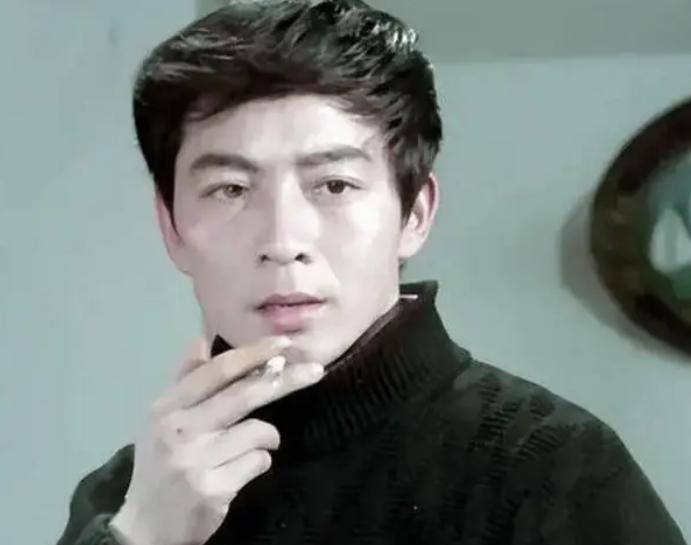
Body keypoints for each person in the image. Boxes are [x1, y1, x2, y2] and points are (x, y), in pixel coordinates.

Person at [55, 1, 687, 544]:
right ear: (171, 227)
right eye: (230, 190)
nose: (283, 242)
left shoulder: (554, 466)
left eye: (333, 184)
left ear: (414, 214)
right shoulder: (130, 495)